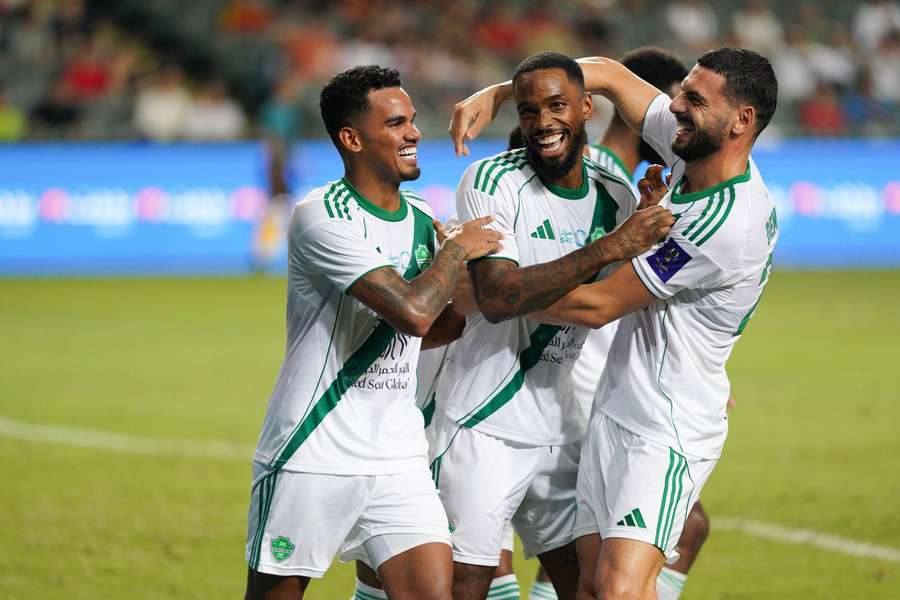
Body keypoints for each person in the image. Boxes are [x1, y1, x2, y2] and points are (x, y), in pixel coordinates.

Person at [450, 47, 779, 599]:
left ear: (741, 121)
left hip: (667, 427)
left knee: (621, 590)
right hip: (613, 409)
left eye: (694, 98)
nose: (674, 105)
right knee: (592, 590)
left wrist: (493, 291)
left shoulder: (724, 222)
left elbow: (598, 305)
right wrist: (498, 92)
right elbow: (599, 72)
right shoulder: (690, 155)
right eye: (680, 92)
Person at [244, 65, 504, 600]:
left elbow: (438, 324)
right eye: (396, 123)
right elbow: (411, 312)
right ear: (352, 138)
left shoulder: (419, 216)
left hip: (396, 455)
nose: (413, 132)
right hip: (313, 448)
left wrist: (475, 277)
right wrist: (455, 252)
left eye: (411, 120)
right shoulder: (321, 216)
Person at [429, 50, 675, 600]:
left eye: (557, 106)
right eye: (529, 110)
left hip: (564, 424)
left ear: (588, 108)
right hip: (483, 420)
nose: (543, 123)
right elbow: (498, 296)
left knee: (586, 583)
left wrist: (644, 228)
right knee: (465, 582)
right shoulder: (490, 180)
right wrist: (614, 245)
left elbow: (628, 285)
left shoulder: (613, 185)